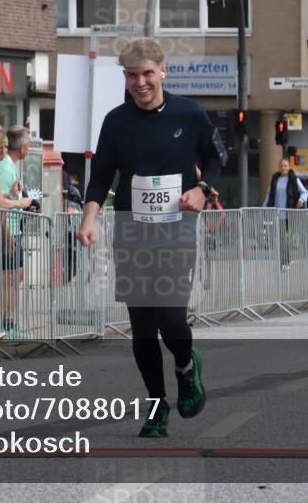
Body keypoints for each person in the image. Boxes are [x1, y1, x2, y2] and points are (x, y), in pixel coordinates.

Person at [76, 38, 226, 438]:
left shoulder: (190, 114)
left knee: (170, 317)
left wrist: (203, 190)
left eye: (146, 73)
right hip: (130, 229)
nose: (139, 82)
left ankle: (186, 364)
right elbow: (101, 177)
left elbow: (216, 157)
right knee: (142, 327)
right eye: (131, 75)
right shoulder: (115, 121)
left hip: (176, 228)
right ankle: (157, 405)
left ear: (163, 71)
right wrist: (89, 219)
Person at [0, 126, 37, 339]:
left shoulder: (8, 165)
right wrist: (22, 201)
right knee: (8, 276)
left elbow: (4, 195)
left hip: (11, 226)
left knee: (14, 275)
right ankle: (4, 324)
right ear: (24, 147)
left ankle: (7, 322)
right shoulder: (3, 165)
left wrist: (13, 194)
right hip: (6, 228)